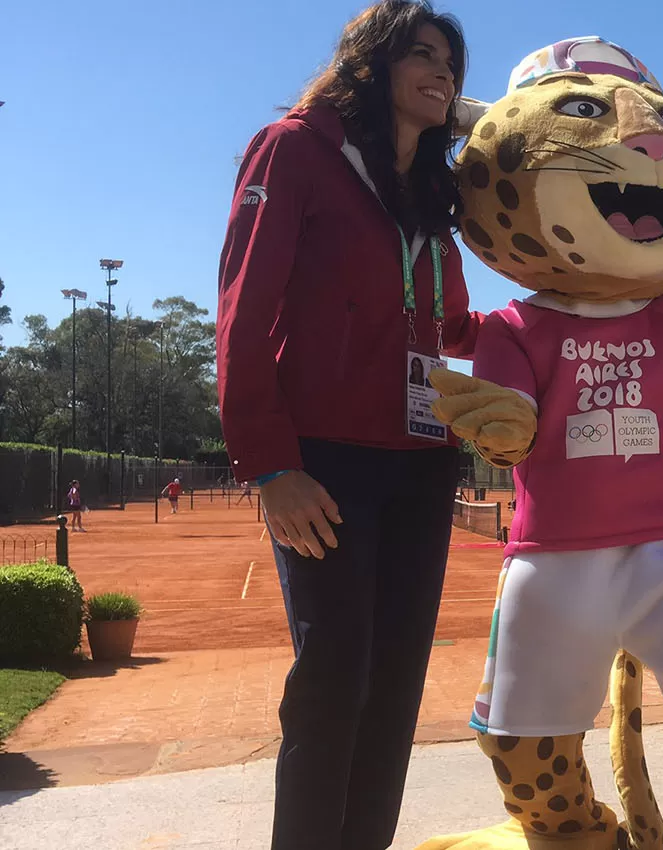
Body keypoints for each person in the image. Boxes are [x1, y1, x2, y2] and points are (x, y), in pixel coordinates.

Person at [214, 2, 479, 847]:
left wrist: (567, 323)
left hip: (424, 459)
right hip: (323, 463)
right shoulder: (296, 149)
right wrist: (269, 463)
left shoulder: (435, 193)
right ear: (374, 62)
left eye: (452, 64)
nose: (444, 73)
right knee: (336, 678)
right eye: (425, 54)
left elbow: (456, 324)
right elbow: (243, 310)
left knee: (396, 684)